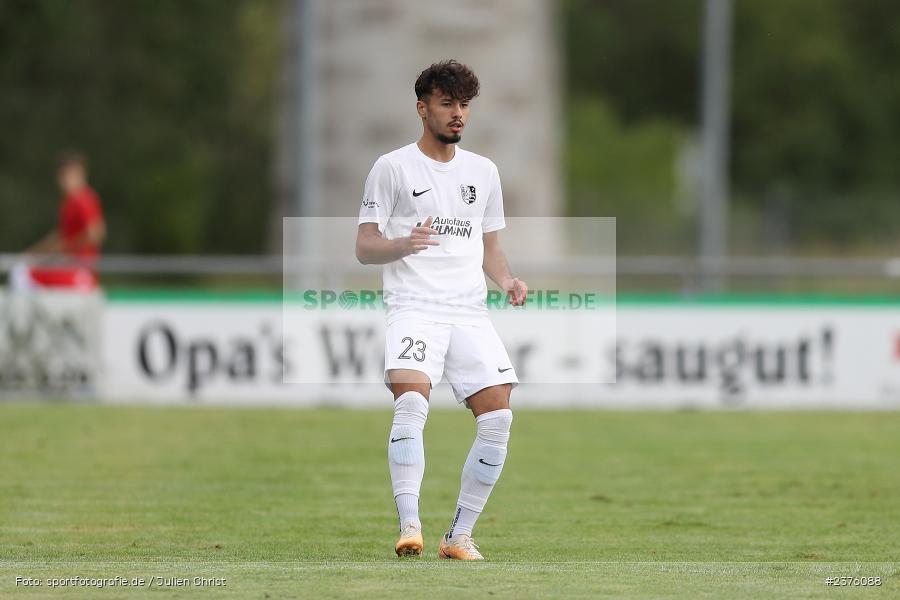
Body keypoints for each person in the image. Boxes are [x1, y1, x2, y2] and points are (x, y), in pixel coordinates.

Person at [356, 60, 528, 561]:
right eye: (447, 103)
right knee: (412, 401)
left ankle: (459, 536)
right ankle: (410, 525)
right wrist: (402, 244)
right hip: (414, 307)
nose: (457, 114)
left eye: (464, 105)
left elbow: (489, 248)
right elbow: (366, 247)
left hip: (469, 312)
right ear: (422, 107)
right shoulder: (392, 167)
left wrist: (508, 279)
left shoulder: (484, 172)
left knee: (498, 416)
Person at [24, 152, 106, 290]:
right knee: (25, 272)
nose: (65, 180)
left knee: (24, 276)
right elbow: (61, 235)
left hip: (81, 271)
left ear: (81, 174)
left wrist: (65, 247)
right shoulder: (68, 203)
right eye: (63, 175)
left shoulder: (85, 199)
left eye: (70, 174)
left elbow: (96, 234)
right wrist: (34, 254)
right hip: (70, 266)